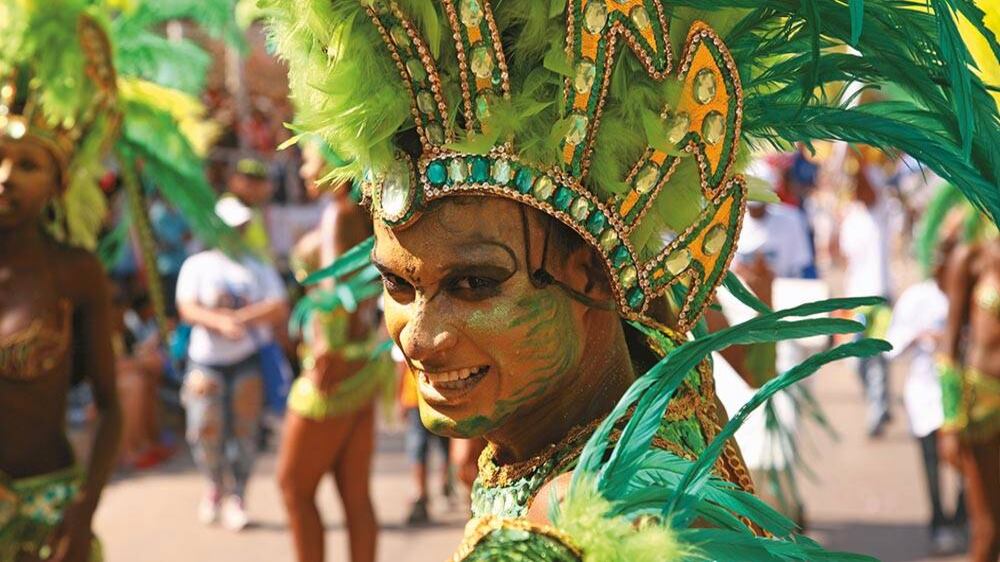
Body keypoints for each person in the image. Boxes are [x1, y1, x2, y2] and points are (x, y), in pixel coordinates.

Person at [265, 0, 999, 558]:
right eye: (399, 286)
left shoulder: (556, 531)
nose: (420, 338)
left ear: (592, 277)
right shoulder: (650, 370)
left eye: (475, 285)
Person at [0, 6, 126, 561]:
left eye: (27, 164)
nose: (5, 178)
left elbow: (110, 407)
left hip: (50, 517)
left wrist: (83, 510)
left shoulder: (76, 272)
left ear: (58, 183)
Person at [277, 142, 390, 562]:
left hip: (335, 364)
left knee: (293, 486)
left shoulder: (341, 214)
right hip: (360, 362)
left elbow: (344, 296)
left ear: (333, 160)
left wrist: (327, 349)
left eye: (308, 157)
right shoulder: (351, 214)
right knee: (355, 496)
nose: (303, 168)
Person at [176, 196, 289, 531]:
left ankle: (237, 494)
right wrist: (219, 322)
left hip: (246, 361)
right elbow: (186, 307)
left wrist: (241, 318)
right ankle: (215, 484)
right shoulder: (197, 264)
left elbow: (278, 305)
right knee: (203, 427)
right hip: (205, 361)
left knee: (244, 430)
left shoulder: (257, 265)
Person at [887, 241, 965, 554]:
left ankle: (962, 517)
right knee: (931, 458)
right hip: (924, 392)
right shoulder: (917, 297)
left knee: (965, 461)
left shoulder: (968, 291)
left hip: (962, 392)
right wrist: (920, 336)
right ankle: (938, 521)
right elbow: (891, 345)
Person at [940, 230, 1000, 562]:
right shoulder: (973, 256)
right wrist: (950, 423)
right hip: (983, 407)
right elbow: (948, 347)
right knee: (988, 531)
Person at [837, 149, 895, 436]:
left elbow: (866, 184)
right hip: (855, 300)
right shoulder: (851, 215)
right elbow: (840, 254)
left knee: (877, 357)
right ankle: (878, 403)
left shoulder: (879, 209)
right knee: (856, 360)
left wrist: (854, 148)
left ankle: (878, 410)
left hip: (880, 295)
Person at [396, 349, 453, 525]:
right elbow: (401, 366)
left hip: (442, 396)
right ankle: (422, 493)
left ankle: (443, 484)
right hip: (416, 399)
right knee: (418, 447)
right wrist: (400, 398)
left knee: (443, 445)